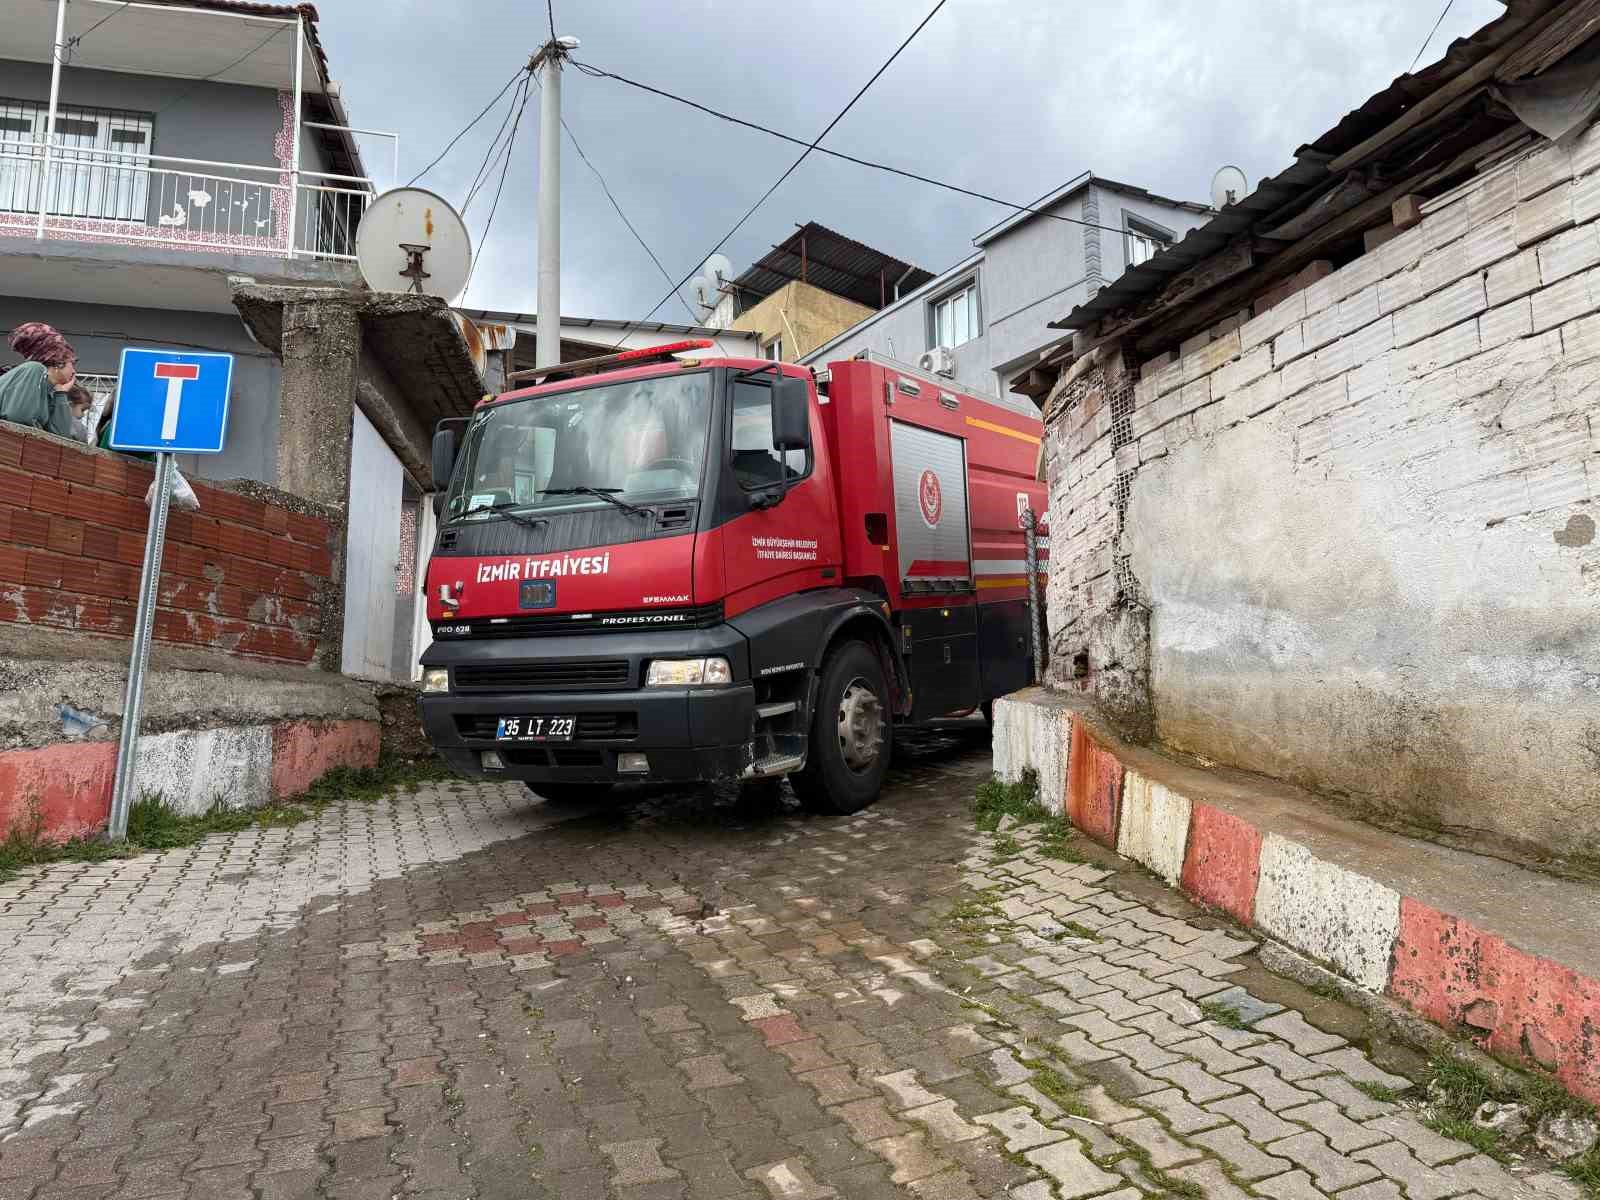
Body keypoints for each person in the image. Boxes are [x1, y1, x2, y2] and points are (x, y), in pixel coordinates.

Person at [0, 323, 77, 438]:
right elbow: (20, 423)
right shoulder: (34, 369)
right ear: (59, 362)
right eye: (73, 363)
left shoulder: (48, 389)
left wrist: (61, 393)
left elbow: (61, 436)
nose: (74, 371)